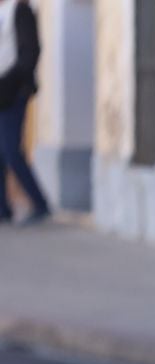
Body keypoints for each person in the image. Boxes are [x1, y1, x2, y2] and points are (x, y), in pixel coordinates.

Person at [0, 0, 52, 227]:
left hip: (12, 93)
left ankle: (40, 204)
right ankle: (2, 208)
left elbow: (30, 52)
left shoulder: (20, 10)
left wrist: (10, 85)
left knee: (11, 150)